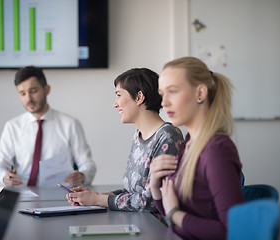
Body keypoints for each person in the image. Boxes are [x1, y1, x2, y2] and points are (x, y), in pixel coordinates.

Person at [150, 57, 244, 239]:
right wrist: (155, 186)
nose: (164, 102)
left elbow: (233, 231)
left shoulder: (216, 149)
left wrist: (175, 213)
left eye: (173, 91)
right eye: (162, 94)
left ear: (200, 93)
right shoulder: (188, 143)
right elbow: (171, 217)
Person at [66, 68, 184, 212]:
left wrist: (99, 200)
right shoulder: (138, 135)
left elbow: (151, 200)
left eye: (119, 95)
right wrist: (95, 196)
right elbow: (133, 192)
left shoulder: (168, 136)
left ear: (139, 97)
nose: (115, 104)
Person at [0, 66, 96, 187]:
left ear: (47, 89)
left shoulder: (70, 124)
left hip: (60, 195)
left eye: (33, 91)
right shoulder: (12, 127)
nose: (28, 99)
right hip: (23, 194)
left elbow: (87, 163)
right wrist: (4, 177)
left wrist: (82, 176)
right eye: (22, 93)